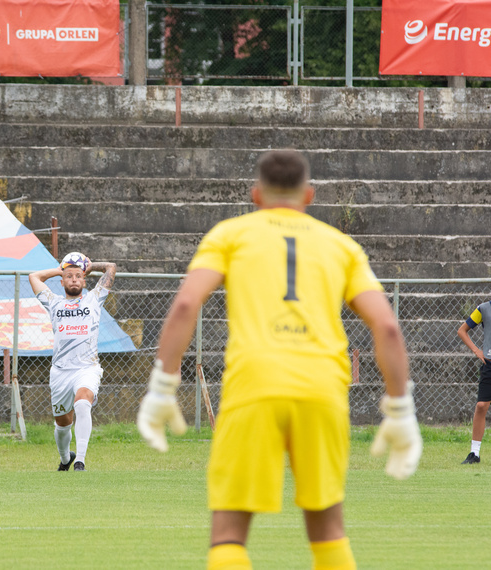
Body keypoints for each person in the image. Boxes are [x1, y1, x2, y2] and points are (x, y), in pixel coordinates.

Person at [137, 150, 422, 570]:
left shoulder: (230, 234)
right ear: (308, 195)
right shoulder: (341, 245)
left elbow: (184, 306)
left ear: (256, 195)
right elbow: (388, 328)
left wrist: (163, 388)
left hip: (253, 386)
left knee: (229, 534)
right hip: (322, 389)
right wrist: (399, 410)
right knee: (328, 528)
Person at [29, 253, 116, 472]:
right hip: (60, 372)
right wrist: (61, 269)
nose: (74, 279)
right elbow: (34, 276)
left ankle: (81, 461)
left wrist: (86, 265)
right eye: (69, 276)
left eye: (78, 276)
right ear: (62, 281)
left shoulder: (93, 299)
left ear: (85, 279)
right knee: (62, 424)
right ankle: (66, 458)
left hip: (87, 368)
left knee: (82, 402)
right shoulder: (54, 302)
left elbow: (111, 267)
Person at [456, 301, 491, 464]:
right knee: (481, 406)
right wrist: (477, 351)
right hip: (488, 364)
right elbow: (462, 330)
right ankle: (474, 453)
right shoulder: (483, 309)